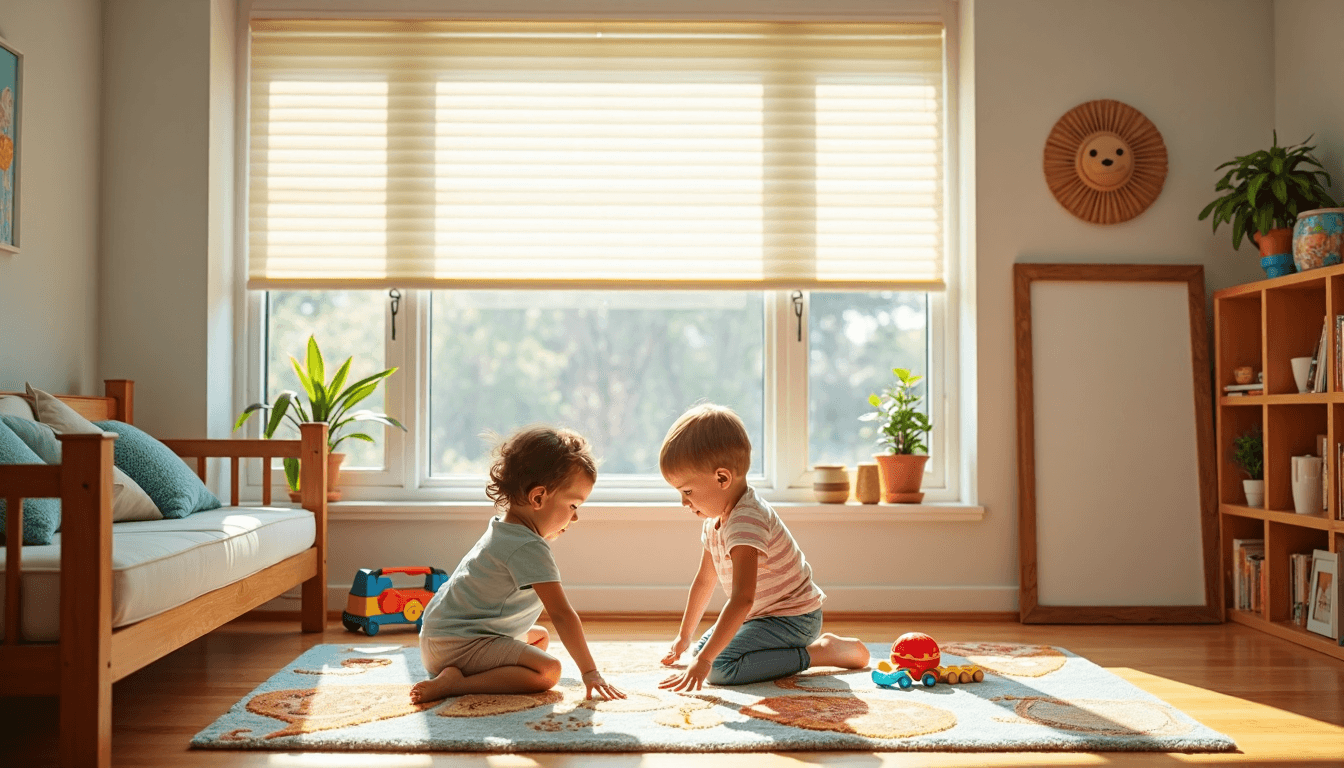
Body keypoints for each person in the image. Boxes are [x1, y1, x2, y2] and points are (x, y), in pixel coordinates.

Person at [656, 403, 870, 691]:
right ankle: (720, 653)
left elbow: (742, 599)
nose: (683, 502)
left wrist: (706, 660)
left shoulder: (746, 520)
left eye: (687, 491)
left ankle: (820, 653)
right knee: (703, 653)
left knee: (717, 668)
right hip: (763, 617)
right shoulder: (715, 520)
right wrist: (685, 637)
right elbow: (705, 580)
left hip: (793, 619)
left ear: (722, 478)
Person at [411, 426, 625, 704]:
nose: (575, 518)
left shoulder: (505, 530)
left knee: (539, 638)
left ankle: (457, 673)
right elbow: (562, 613)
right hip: (458, 646)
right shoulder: (528, 546)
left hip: (440, 640)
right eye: (573, 505)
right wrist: (590, 672)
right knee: (549, 671)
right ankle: (457, 684)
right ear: (538, 498)